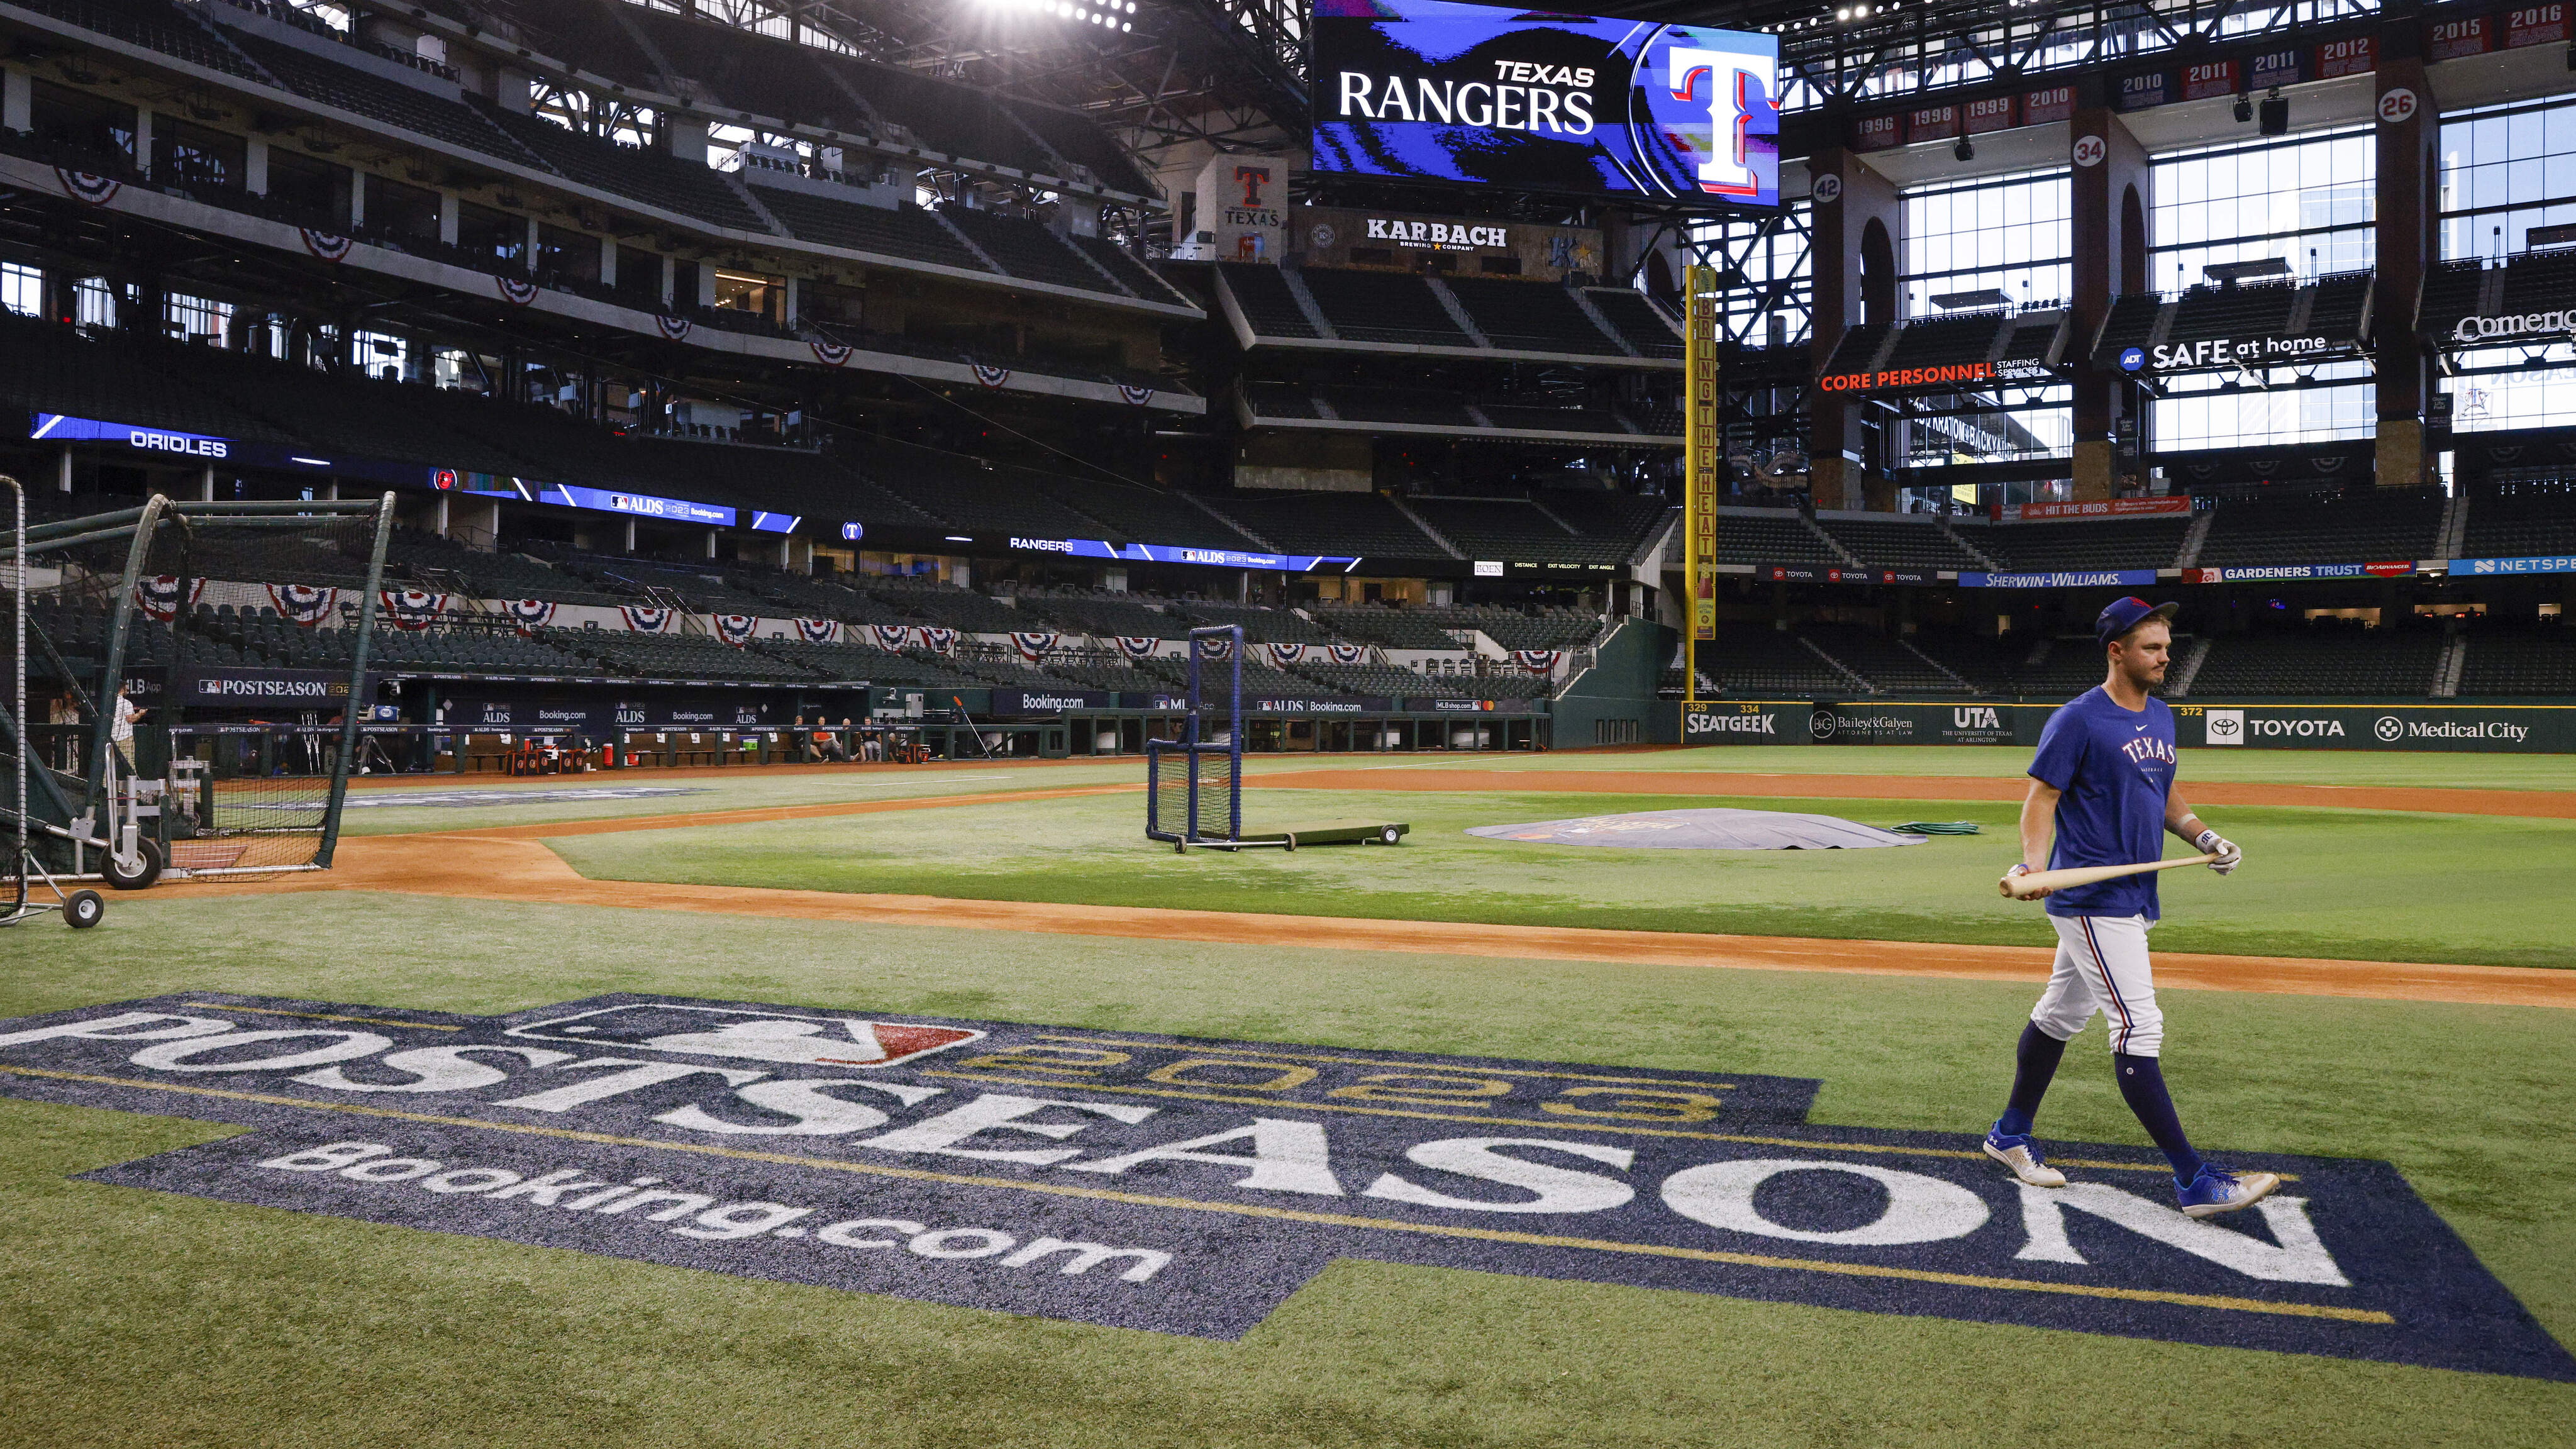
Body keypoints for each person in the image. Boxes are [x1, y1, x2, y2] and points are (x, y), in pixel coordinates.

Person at [1985, 596, 2268, 1220]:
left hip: (2134, 893)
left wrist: (2202, 835)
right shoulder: (2079, 719)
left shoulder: (2162, 717)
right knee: (2138, 1028)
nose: (2166, 656)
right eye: (2152, 647)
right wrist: (2034, 867)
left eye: (2167, 646)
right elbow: (2041, 797)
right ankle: (2193, 1179)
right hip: (2091, 899)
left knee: (2059, 1016)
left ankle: (2008, 1134)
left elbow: (2162, 790)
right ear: (2116, 652)